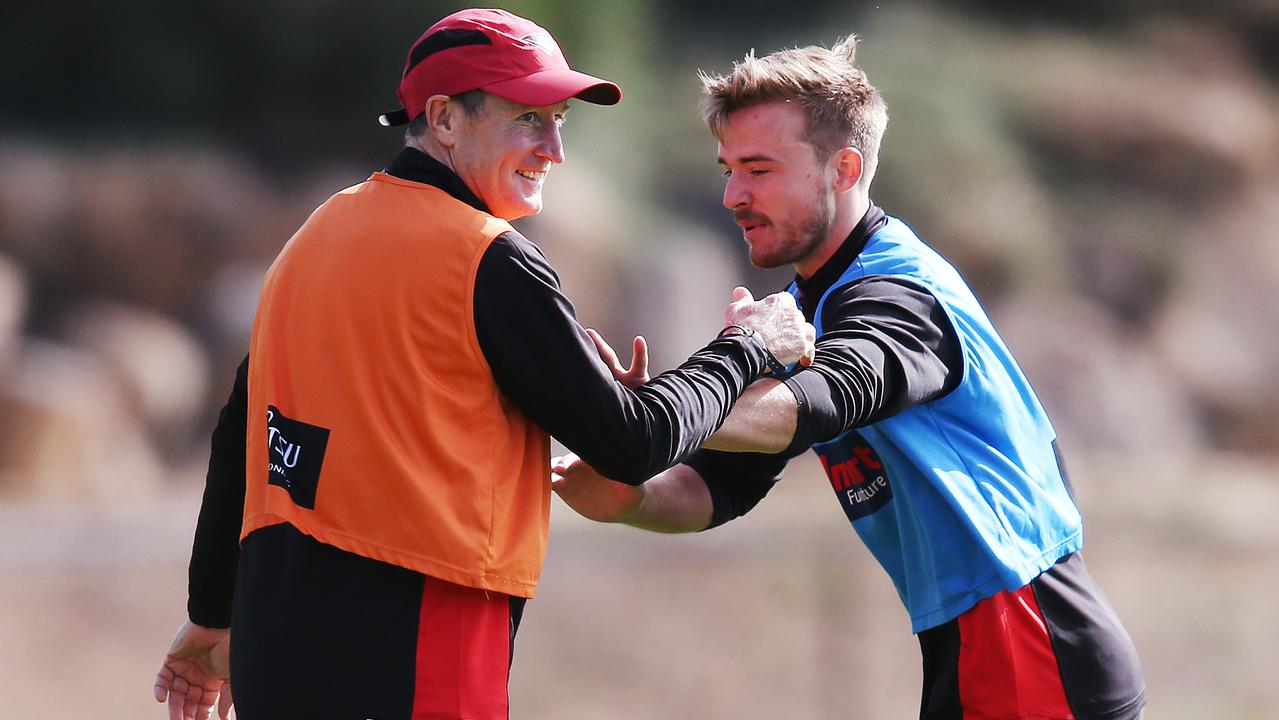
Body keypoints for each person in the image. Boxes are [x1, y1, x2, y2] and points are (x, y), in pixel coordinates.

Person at [151, 9, 815, 720]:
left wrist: (211, 611)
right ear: (443, 119)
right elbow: (633, 442)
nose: (554, 149)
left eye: (559, 120)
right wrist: (748, 348)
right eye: (530, 119)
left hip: (274, 641)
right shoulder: (485, 256)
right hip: (419, 641)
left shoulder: (316, 235)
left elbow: (241, 435)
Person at [552, 36, 1146, 719]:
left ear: (843, 169)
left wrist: (657, 414)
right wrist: (629, 495)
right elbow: (715, 486)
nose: (732, 195)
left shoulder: (895, 294)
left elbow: (810, 404)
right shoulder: (809, 307)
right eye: (727, 169)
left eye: (758, 169)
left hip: (1028, 642)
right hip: (978, 642)